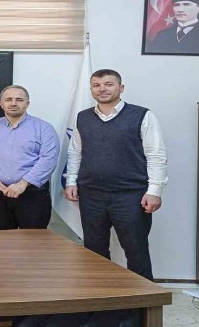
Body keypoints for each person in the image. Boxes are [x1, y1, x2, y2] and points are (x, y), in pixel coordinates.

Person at [64, 69, 168, 282]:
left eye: (108, 84)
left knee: (136, 250)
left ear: (121, 88)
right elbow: (75, 151)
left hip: (131, 196)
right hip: (91, 195)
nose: (102, 89)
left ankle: (142, 301)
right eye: (96, 85)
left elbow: (156, 155)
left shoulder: (142, 115)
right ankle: (100, 296)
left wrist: (155, 191)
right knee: (94, 250)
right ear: (91, 89)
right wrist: (71, 181)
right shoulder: (83, 117)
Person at [0, 85, 59, 230]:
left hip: (32, 194)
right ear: (1, 103)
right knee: (0, 239)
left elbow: (48, 159)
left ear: (27, 103)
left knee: (32, 240)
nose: (13, 103)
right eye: (8, 99)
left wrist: (23, 184)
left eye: (19, 100)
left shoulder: (44, 128)